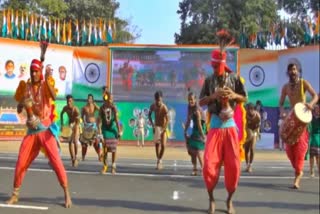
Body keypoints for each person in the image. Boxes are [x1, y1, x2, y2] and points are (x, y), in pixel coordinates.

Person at [6, 55, 72, 207]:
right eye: (31, 71)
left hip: (45, 129)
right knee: (21, 161)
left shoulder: (45, 85)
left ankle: (66, 193)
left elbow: (54, 96)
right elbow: (19, 107)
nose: (33, 73)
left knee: (56, 162)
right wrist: (22, 104)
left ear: (40, 72)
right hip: (31, 131)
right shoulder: (26, 87)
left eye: (36, 71)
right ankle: (15, 193)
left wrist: (46, 80)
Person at [199, 31, 247, 214]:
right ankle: (211, 199)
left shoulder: (234, 78)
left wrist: (233, 95)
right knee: (209, 165)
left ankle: (229, 200)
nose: (218, 72)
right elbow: (201, 101)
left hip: (231, 129)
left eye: (220, 68)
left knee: (234, 167)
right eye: (216, 67)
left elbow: (245, 97)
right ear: (212, 65)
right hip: (216, 128)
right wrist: (213, 96)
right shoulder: (209, 80)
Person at [279, 63, 318, 189]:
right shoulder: (285, 87)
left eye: (294, 69)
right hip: (291, 119)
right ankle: (298, 170)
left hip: (302, 119)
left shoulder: (303, 83)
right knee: (289, 151)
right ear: (288, 73)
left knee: (300, 149)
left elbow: (315, 96)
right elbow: (280, 103)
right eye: (291, 70)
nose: (293, 72)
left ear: (298, 71)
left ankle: (297, 178)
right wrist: (282, 112)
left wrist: (311, 104)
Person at [98, 90, 121, 174]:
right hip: (105, 129)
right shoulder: (102, 108)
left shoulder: (114, 108)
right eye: (110, 99)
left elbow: (117, 120)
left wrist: (119, 131)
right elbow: (99, 121)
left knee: (113, 148)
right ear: (106, 99)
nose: (111, 100)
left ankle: (113, 166)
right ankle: (105, 166)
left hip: (112, 129)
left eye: (112, 99)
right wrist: (100, 133)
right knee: (104, 148)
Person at [184, 91, 206, 176]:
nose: (190, 101)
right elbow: (188, 121)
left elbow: (200, 125)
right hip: (195, 129)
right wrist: (185, 131)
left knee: (199, 151)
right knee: (192, 150)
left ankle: (204, 170)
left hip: (201, 129)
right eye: (189, 100)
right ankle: (195, 169)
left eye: (192, 100)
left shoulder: (197, 110)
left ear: (195, 100)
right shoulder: (189, 108)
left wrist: (203, 136)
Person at [148, 90, 169, 170]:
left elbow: (167, 120)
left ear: (162, 99)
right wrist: (153, 125)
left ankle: (159, 160)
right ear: (155, 100)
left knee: (163, 146)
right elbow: (149, 115)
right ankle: (159, 160)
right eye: (157, 100)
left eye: (159, 100)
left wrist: (164, 129)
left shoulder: (164, 108)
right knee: (157, 145)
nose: (158, 102)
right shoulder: (153, 106)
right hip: (156, 127)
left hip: (163, 127)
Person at [60, 95, 81, 167]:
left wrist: (74, 124)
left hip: (77, 125)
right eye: (68, 101)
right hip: (70, 125)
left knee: (75, 141)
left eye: (70, 101)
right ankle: (73, 159)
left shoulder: (76, 109)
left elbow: (78, 119)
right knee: (70, 142)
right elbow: (61, 114)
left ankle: (76, 156)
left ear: (72, 101)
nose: (69, 103)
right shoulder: (65, 108)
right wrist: (62, 124)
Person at [80, 94, 102, 161]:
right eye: (89, 98)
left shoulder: (94, 105)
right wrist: (83, 123)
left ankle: (99, 155)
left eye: (91, 98)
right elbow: (81, 116)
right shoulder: (84, 107)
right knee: (84, 143)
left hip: (94, 126)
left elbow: (100, 110)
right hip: (86, 126)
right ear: (87, 99)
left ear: (92, 99)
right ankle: (83, 156)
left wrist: (99, 120)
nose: (90, 100)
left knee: (96, 142)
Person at [244, 103, 261, 173]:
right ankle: (247, 165)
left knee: (252, 148)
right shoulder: (245, 115)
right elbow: (243, 125)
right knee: (246, 149)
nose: (246, 110)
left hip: (254, 131)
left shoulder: (257, 116)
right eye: (246, 109)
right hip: (246, 130)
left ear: (252, 109)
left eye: (247, 109)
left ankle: (250, 165)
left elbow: (257, 127)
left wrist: (256, 134)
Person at [307, 96, 320, 177]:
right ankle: (311, 170)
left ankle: (318, 170)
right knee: (311, 156)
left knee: (318, 157)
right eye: (316, 108)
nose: (317, 109)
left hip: (318, 138)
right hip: (312, 138)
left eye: (318, 108)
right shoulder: (311, 117)